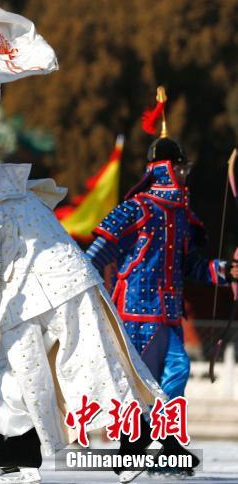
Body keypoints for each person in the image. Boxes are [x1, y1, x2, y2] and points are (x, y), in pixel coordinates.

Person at [0, 119, 170, 484]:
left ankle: (20, 456)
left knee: (17, 371)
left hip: (33, 294)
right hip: (79, 282)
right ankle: (137, 440)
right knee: (97, 363)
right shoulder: (22, 193)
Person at [86, 95, 238, 400]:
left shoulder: (183, 216)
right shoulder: (136, 208)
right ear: (164, 169)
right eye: (181, 168)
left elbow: (191, 266)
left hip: (168, 314)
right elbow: (96, 255)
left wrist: (225, 270)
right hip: (133, 314)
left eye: (186, 168)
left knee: (178, 369)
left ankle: (168, 439)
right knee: (136, 382)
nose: (185, 174)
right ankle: (132, 444)